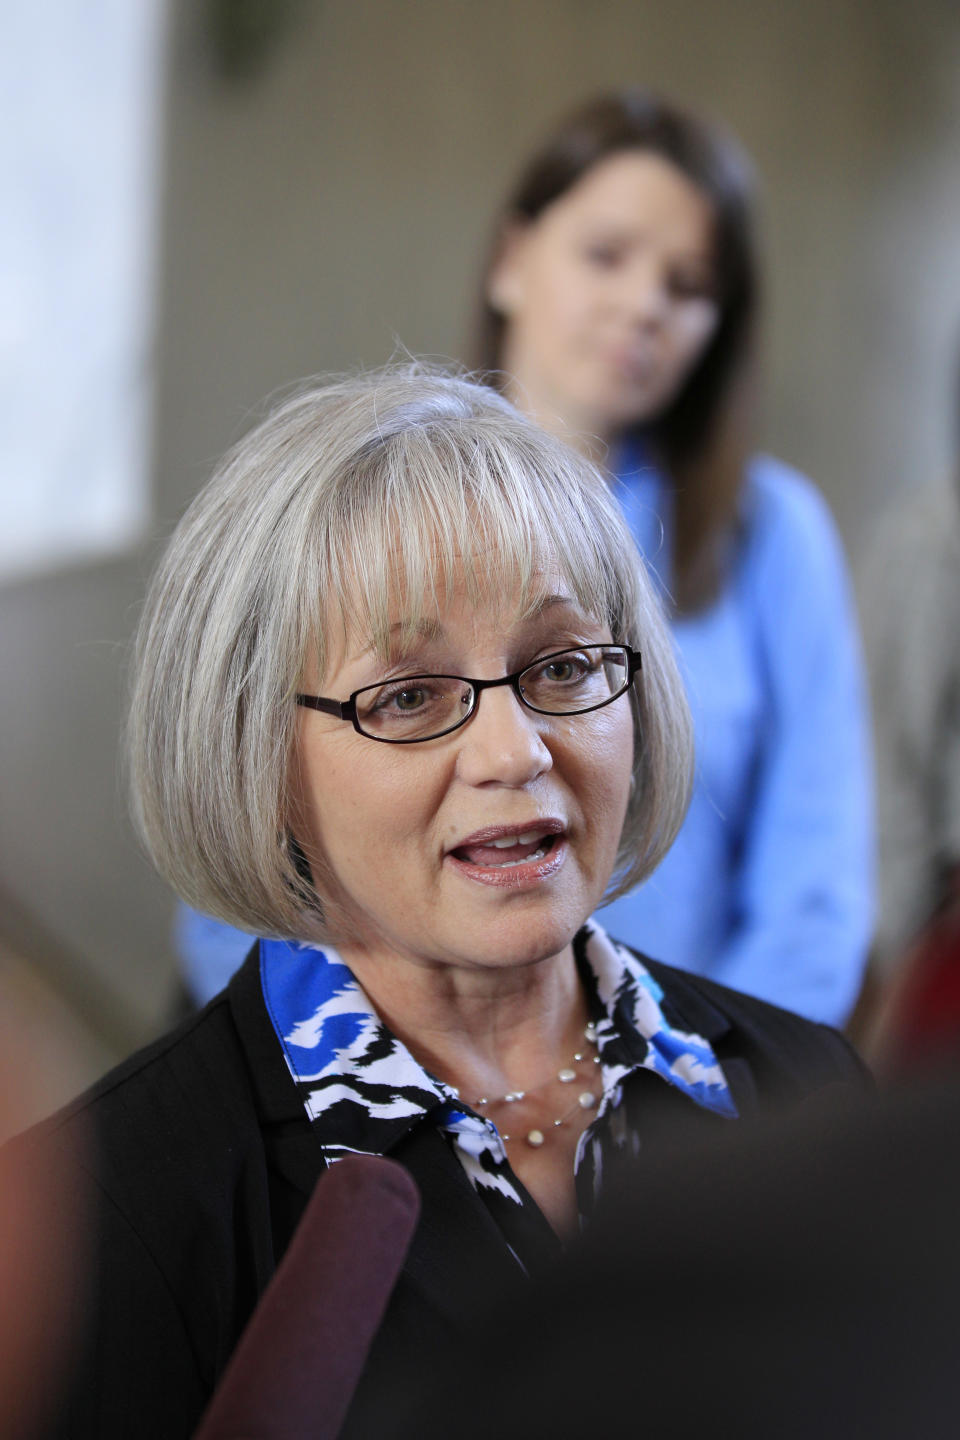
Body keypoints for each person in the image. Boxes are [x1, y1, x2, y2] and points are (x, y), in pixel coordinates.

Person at [13, 367, 867, 1438]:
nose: (515, 749)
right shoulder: (106, 1216)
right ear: (261, 757)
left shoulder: (805, 1090)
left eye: (561, 666)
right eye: (410, 697)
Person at [474, 88, 874, 1026]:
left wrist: (702, 1094)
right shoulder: (375, 510)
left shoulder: (772, 530)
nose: (644, 304)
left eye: (687, 286)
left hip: (694, 1104)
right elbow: (255, 877)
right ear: (510, 260)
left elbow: (815, 901)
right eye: (606, 254)